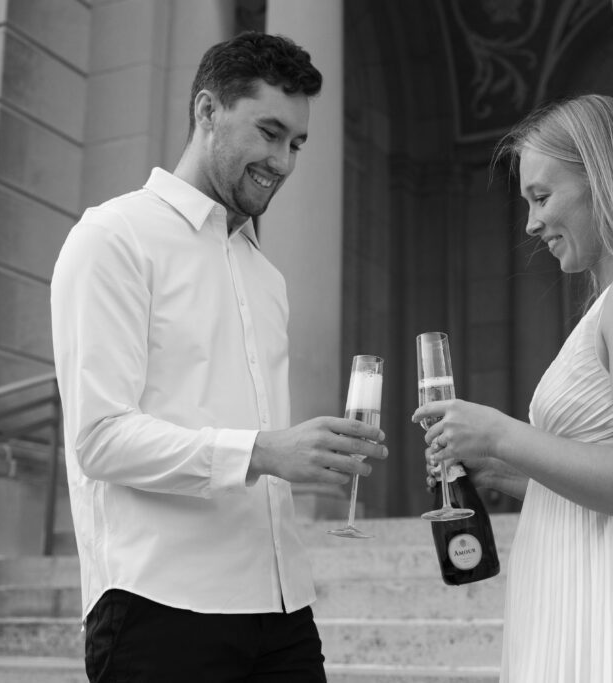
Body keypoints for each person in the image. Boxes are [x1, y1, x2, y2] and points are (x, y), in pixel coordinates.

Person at [50, 31, 386, 682]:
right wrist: (264, 451)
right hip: (159, 609)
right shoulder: (113, 238)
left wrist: (310, 461)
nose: (284, 161)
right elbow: (99, 438)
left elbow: (256, 445)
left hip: (283, 608)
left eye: (295, 142)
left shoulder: (267, 278)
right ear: (207, 111)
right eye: (268, 131)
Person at [413, 94, 613, 681]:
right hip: (573, 586)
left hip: (609, 602)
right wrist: (497, 472)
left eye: (541, 197)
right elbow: (602, 485)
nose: (530, 223)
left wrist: (501, 434)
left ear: (600, 178)